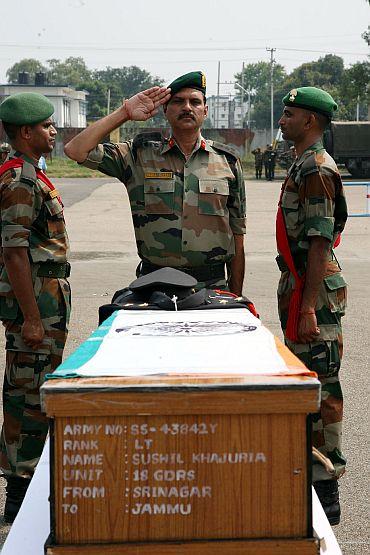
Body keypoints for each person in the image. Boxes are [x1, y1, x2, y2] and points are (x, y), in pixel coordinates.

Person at [65, 72, 246, 295]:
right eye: (178, 101)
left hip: (212, 288)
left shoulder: (227, 161)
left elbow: (237, 235)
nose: (187, 107)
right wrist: (125, 113)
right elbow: (75, 149)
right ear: (165, 110)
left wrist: (236, 296)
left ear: (205, 111)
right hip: (154, 287)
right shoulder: (139, 154)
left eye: (195, 102)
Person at [276, 86, 348, 525]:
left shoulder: (317, 169)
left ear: (310, 122)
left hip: (313, 292)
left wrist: (307, 307)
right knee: (307, 381)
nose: (282, 120)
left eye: (289, 114)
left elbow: (320, 240)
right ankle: (312, 475)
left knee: (322, 386)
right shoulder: (302, 164)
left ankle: (327, 488)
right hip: (302, 286)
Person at [0, 92, 71, 522]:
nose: (54, 130)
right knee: (27, 394)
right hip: (36, 304)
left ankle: (28, 484)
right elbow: (13, 253)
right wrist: (30, 317)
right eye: (47, 125)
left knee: (34, 388)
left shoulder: (30, 173)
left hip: (46, 300)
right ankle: (21, 490)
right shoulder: (20, 181)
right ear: (26, 133)